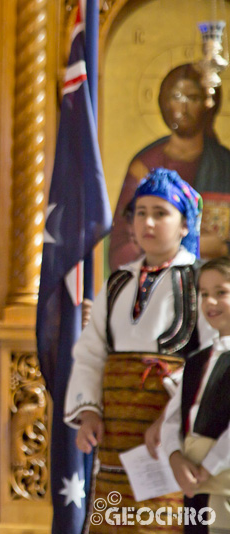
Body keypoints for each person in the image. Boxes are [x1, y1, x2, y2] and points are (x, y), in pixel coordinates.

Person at [65, 168, 207, 533]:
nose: (148, 221)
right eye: (141, 212)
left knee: (164, 518)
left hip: (169, 431)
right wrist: (88, 412)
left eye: (161, 213)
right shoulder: (117, 282)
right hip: (115, 431)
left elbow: (210, 360)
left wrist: (168, 420)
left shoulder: (199, 282)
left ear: (185, 225)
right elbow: (91, 353)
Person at [109, 63, 230, 271]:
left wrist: (223, 249)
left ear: (208, 104)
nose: (183, 107)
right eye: (176, 97)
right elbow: (121, 243)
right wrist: (170, 248)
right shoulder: (144, 166)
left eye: (192, 98)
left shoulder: (224, 164)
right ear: (165, 102)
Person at [161, 256, 230, 534]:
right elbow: (173, 419)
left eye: (221, 293)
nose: (210, 303)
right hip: (194, 483)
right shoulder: (197, 360)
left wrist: (209, 467)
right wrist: (176, 457)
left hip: (220, 483)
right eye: (204, 294)